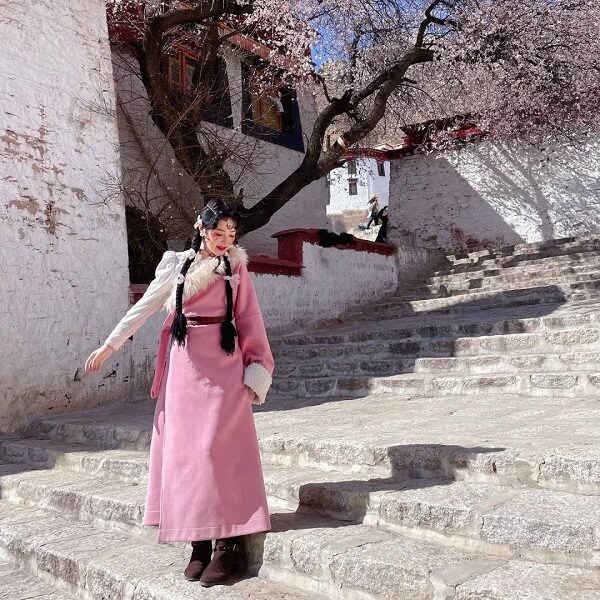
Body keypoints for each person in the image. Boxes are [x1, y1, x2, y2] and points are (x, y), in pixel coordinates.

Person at [85, 200, 274, 587]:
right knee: (187, 454)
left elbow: (249, 319)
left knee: (218, 451)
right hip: (183, 367)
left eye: (232, 234)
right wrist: (109, 346)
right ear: (201, 229)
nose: (225, 240)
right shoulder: (176, 264)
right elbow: (144, 307)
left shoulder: (235, 268)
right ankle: (199, 543)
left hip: (224, 364)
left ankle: (229, 544)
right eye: (218, 232)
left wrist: (257, 368)